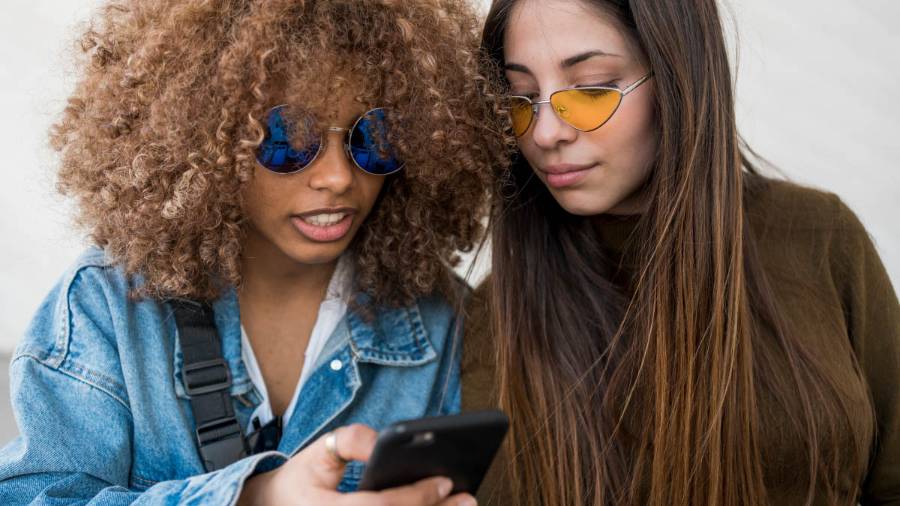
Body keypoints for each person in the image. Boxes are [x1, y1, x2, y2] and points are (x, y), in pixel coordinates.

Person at [0, 0, 506, 504]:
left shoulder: (448, 324)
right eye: (289, 138)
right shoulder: (104, 308)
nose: (337, 177)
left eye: (373, 137)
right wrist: (256, 498)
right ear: (204, 138)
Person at [463, 0, 900, 504]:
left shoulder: (820, 237)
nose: (544, 132)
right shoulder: (490, 313)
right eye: (522, 97)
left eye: (591, 88)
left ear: (678, 76)